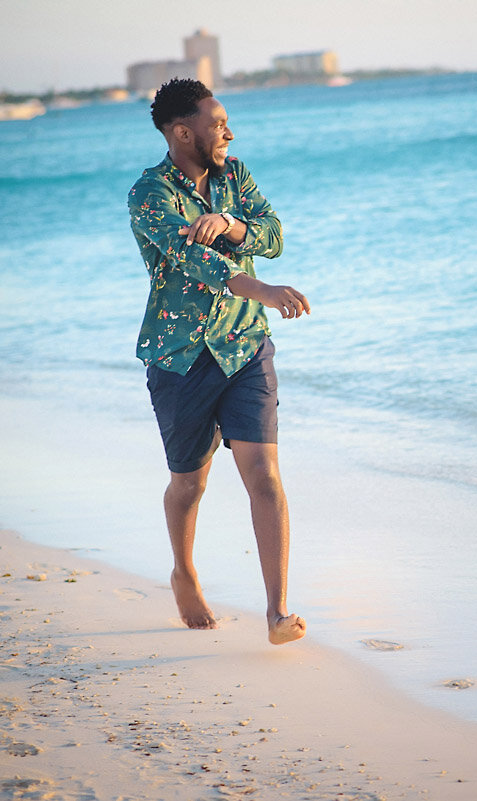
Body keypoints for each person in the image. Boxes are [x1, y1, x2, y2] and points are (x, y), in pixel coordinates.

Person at [129, 78, 310, 646]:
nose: (227, 131)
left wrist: (232, 225)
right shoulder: (149, 195)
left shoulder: (236, 175)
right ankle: (184, 571)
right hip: (179, 359)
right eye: (216, 122)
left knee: (264, 474)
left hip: (244, 347)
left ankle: (277, 612)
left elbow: (273, 233)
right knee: (189, 483)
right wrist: (265, 289)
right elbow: (197, 263)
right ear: (183, 132)